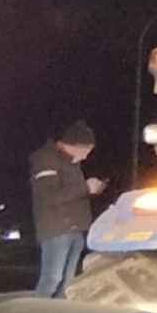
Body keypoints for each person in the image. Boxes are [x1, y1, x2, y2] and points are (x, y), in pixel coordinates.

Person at [29, 122, 102, 296]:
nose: (85, 157)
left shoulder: (71, 164)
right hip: (57, 229)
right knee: (52, 279)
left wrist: (92, 189)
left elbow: (70, 194)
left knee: (67, 282)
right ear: (74, 145)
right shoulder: (45, 159)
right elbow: (50, 196)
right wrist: (86, 187)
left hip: (75, 229)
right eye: (86, 151)